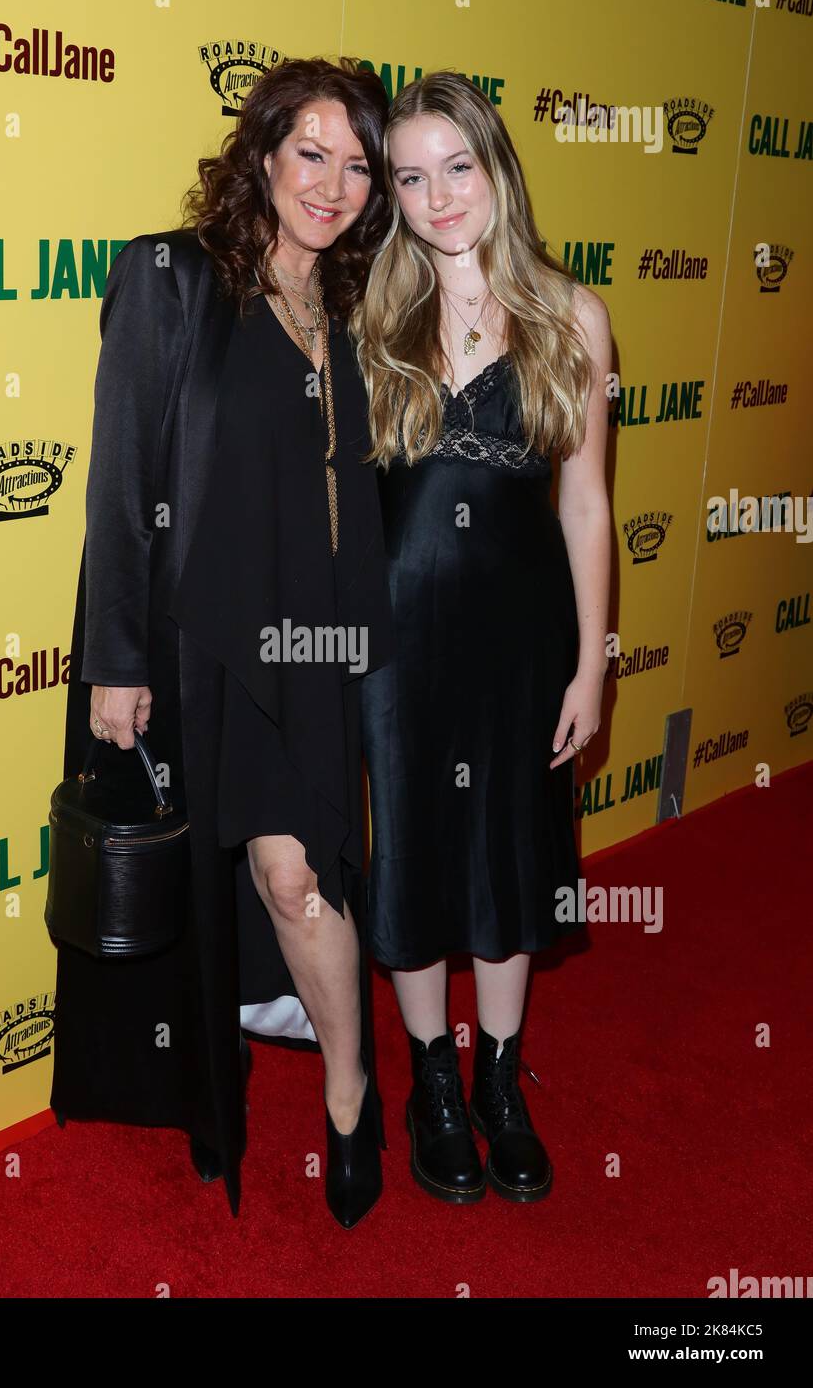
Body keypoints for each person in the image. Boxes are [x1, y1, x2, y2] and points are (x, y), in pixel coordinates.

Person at [52, 56, 395, 1229]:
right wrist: (115, 662)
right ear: (260, 154)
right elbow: (118, 479)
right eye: (312, 152)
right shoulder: (175, 279)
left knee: (304, 880)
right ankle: (221, 1088)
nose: (333, 183)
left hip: (314, 643)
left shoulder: (348, 303)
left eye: (356, 164)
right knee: (243, 887)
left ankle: (352, 1095)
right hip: (203, 654)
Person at [352, 71, 611, 1204]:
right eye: (410, 176)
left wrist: (592, 663)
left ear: (496, 168)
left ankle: (502, 1080)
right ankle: (433, 1085)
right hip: (399, 640)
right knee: (410, 855)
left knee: (510, 854)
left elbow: (590, 503)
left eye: (456, 166)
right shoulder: (373, 310)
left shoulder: (573, 314)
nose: (435, 195)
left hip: (520, 635)